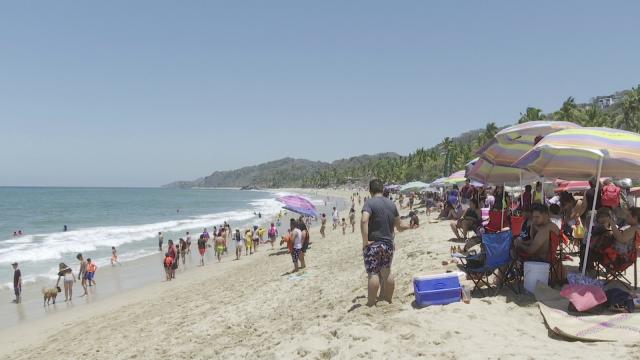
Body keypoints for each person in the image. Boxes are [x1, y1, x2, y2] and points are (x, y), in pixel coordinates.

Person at [361, 179, 409, 307]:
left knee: (373, 273)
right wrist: (411, 226)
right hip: (388, 244)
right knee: (386, 271)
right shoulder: (391, 204)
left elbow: (364, 220)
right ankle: (388, 299)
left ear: (370, 191)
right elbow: (399, 226)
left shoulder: (369, 203)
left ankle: (371, 303)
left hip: (373, 244)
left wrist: (365, 241)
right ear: (382, 190)